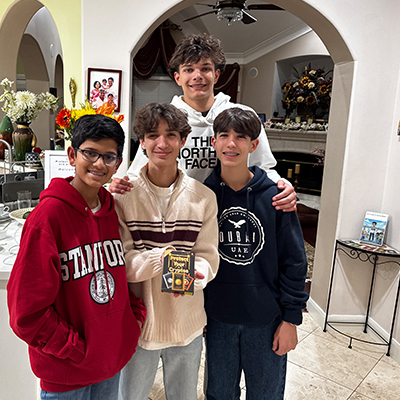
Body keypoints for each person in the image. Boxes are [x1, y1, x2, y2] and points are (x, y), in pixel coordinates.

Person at [7, 114, 146, 400]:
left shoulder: (111, 211)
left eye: (109, 157)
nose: (99, 164)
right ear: (72, 155)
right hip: (67, 373)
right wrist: (74, 349)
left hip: (110, 364)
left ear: (118, 163)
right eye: (90, 153)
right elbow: (26, 312)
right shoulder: (47, 218)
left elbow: (117, 276)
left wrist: (131, 323)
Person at [109, 33, 296, 212]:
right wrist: (121, 185)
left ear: (216, 75)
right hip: (180, 212)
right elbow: (139, 173)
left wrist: (282, 186)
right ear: (177, 78)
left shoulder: (243, 116)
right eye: (188, 69)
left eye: (205, 68)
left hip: (233, 208)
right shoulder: (164, 121)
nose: (197, 76)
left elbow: (263, 167)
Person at [115, 103, 219, 400]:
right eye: (152, 135)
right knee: (129, 396)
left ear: (183, 140)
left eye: (171, 135)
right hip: (140, 324)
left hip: (186, 323)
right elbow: (122, 260)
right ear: (142, 141)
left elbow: (208, 256)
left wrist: (196, 274)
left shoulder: (203, 197)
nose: (162, 143)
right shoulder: (123, 196)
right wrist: (160, 258)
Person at [203, 108, 309, 400]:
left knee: (266, 395)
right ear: (213, 142)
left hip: (266, 320)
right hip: (217, 319)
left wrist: (291, 319)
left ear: (253, 145)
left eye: (240, 137)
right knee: (219, 394)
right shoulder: (203, 196)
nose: (231, 143)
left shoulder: (276, 197)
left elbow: (294, 261)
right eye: (224, 135)